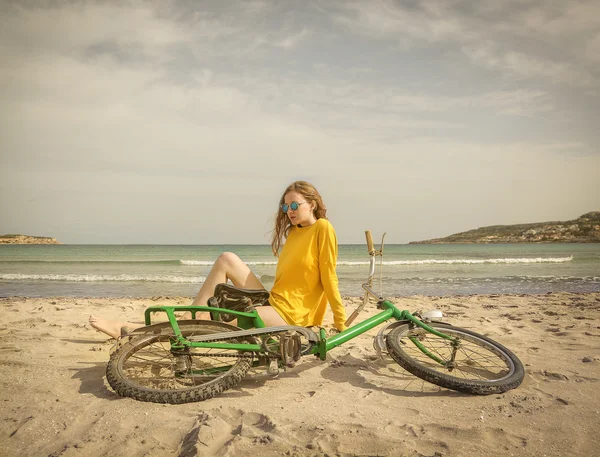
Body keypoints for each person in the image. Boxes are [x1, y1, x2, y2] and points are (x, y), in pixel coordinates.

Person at [89, 180, 348, 339]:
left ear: (311, 204)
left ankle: (131, 330)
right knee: (227, 259)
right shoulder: (294, 234)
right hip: (274, 301)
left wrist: (339, 321)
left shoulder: (323, 228)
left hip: (292, 316)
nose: (289, 212)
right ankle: (192, 315)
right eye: (285, 207)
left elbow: (328, 277)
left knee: (209, 328)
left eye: (294, 205)